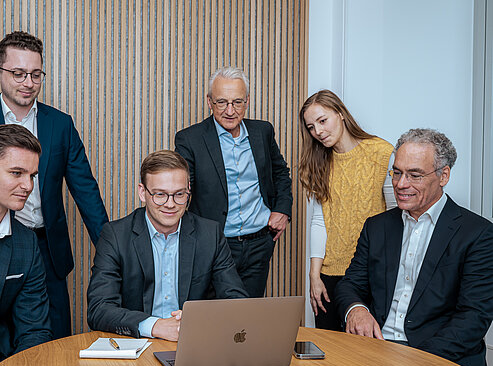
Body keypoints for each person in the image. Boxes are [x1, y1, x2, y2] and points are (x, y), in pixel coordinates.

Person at [335, 128, 493, 366]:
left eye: (414, 175)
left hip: (440, 361)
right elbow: (350, 284)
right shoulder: (376, 227)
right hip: (376, 352)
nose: (400, 184)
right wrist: (356, 310)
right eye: (397, 172)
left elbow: (473, 317)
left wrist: (412, 363)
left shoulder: (478, 233)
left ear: (443, 175)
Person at [0, 31, 108, 339]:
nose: (28, 82)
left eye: (36, 74)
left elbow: (85, 190)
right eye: (19, 73)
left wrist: (110, 250)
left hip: (46, 247)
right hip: (2, 243)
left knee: (53, 338)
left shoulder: (59, 124)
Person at [87, 150, 248, 340]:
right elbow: (99, 309)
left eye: (179, 194)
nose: (170, 204)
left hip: (193, 342)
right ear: (142, 192)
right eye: (160, 194)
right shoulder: (115, 235)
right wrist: (154, 326)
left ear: (188, 190)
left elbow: (237, 302)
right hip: (137, 344)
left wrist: (198, 319)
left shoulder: (210, 234)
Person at [175, 67, 292, 298]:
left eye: (237, 102)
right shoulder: (190, 139)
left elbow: (280, 173)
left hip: (259, 243)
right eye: (222, 102)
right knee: (211, 314)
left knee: (248, 315)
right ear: (209, 102)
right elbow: (181, 190)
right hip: (214, 245)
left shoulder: (263, 131)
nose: (230, 111)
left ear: (247, 101)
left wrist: (282, 210)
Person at [298, 90, 395, 331]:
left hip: (371, 273)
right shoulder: (319, 161)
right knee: (330, 347)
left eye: (323, 121)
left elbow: (396, 217)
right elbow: (320, 221)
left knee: (368, 348)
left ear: (340, 113)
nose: (318, 131)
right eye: (311, 127)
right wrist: (314, 276)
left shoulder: (382, 153)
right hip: (330, 274)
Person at [0, 124, 52, 360]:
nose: (28, 186)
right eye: (16, 173)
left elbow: (34, 331)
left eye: (32, 176)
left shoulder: (27, 243)